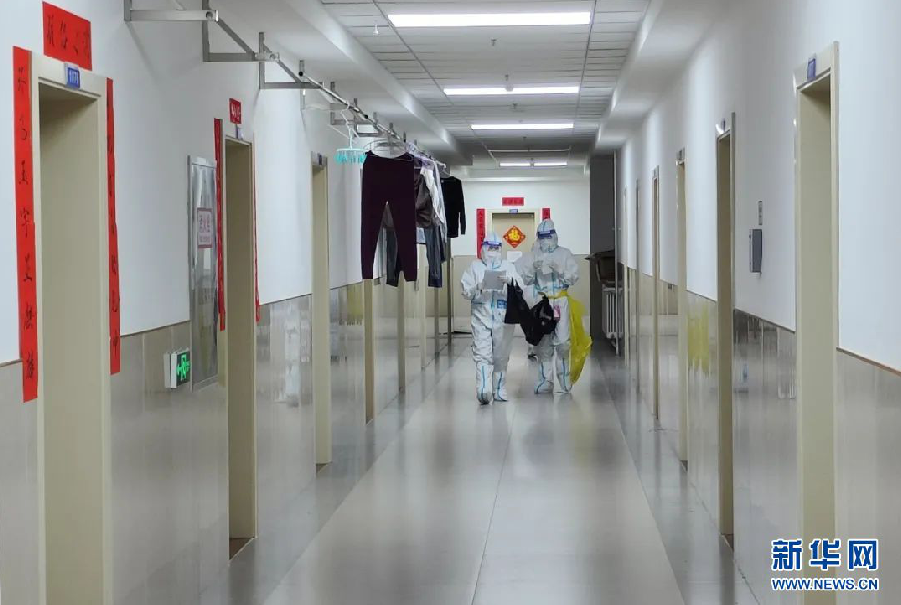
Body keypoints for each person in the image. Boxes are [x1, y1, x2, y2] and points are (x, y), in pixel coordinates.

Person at [461, 232, 522, 404]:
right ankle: (483, 389)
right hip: (481, 317)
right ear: (483, 248)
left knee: (501, 355)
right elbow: (465, 291)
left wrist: (510, 281)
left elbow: (521, 287)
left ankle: (499, 389)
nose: (493, 252)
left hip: (503, 318)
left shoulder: (508, 266)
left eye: (496, 249)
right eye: (490, 248)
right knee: (482, 353)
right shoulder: (475, 267)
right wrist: (478, 286)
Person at [520, 219, 580, 393]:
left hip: (560, 301)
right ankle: (545, 381)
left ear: (554, 236)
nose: (545, 240)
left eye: (548, 236)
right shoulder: (533, 255)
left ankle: (565, 379)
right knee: (543, 344)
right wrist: (533, 268)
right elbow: (526, 279)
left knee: (563, 343)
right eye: (542, 237)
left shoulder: (565, 254)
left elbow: (573, 277)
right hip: (542, 302)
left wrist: (559, 270)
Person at [515, 240, 540, 360]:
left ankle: (533, 345)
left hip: (531, 295)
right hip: (531, 294)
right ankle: (533, 345)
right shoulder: (525, 259)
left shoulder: (523, 259)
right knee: (534, 321)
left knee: (532, 321)